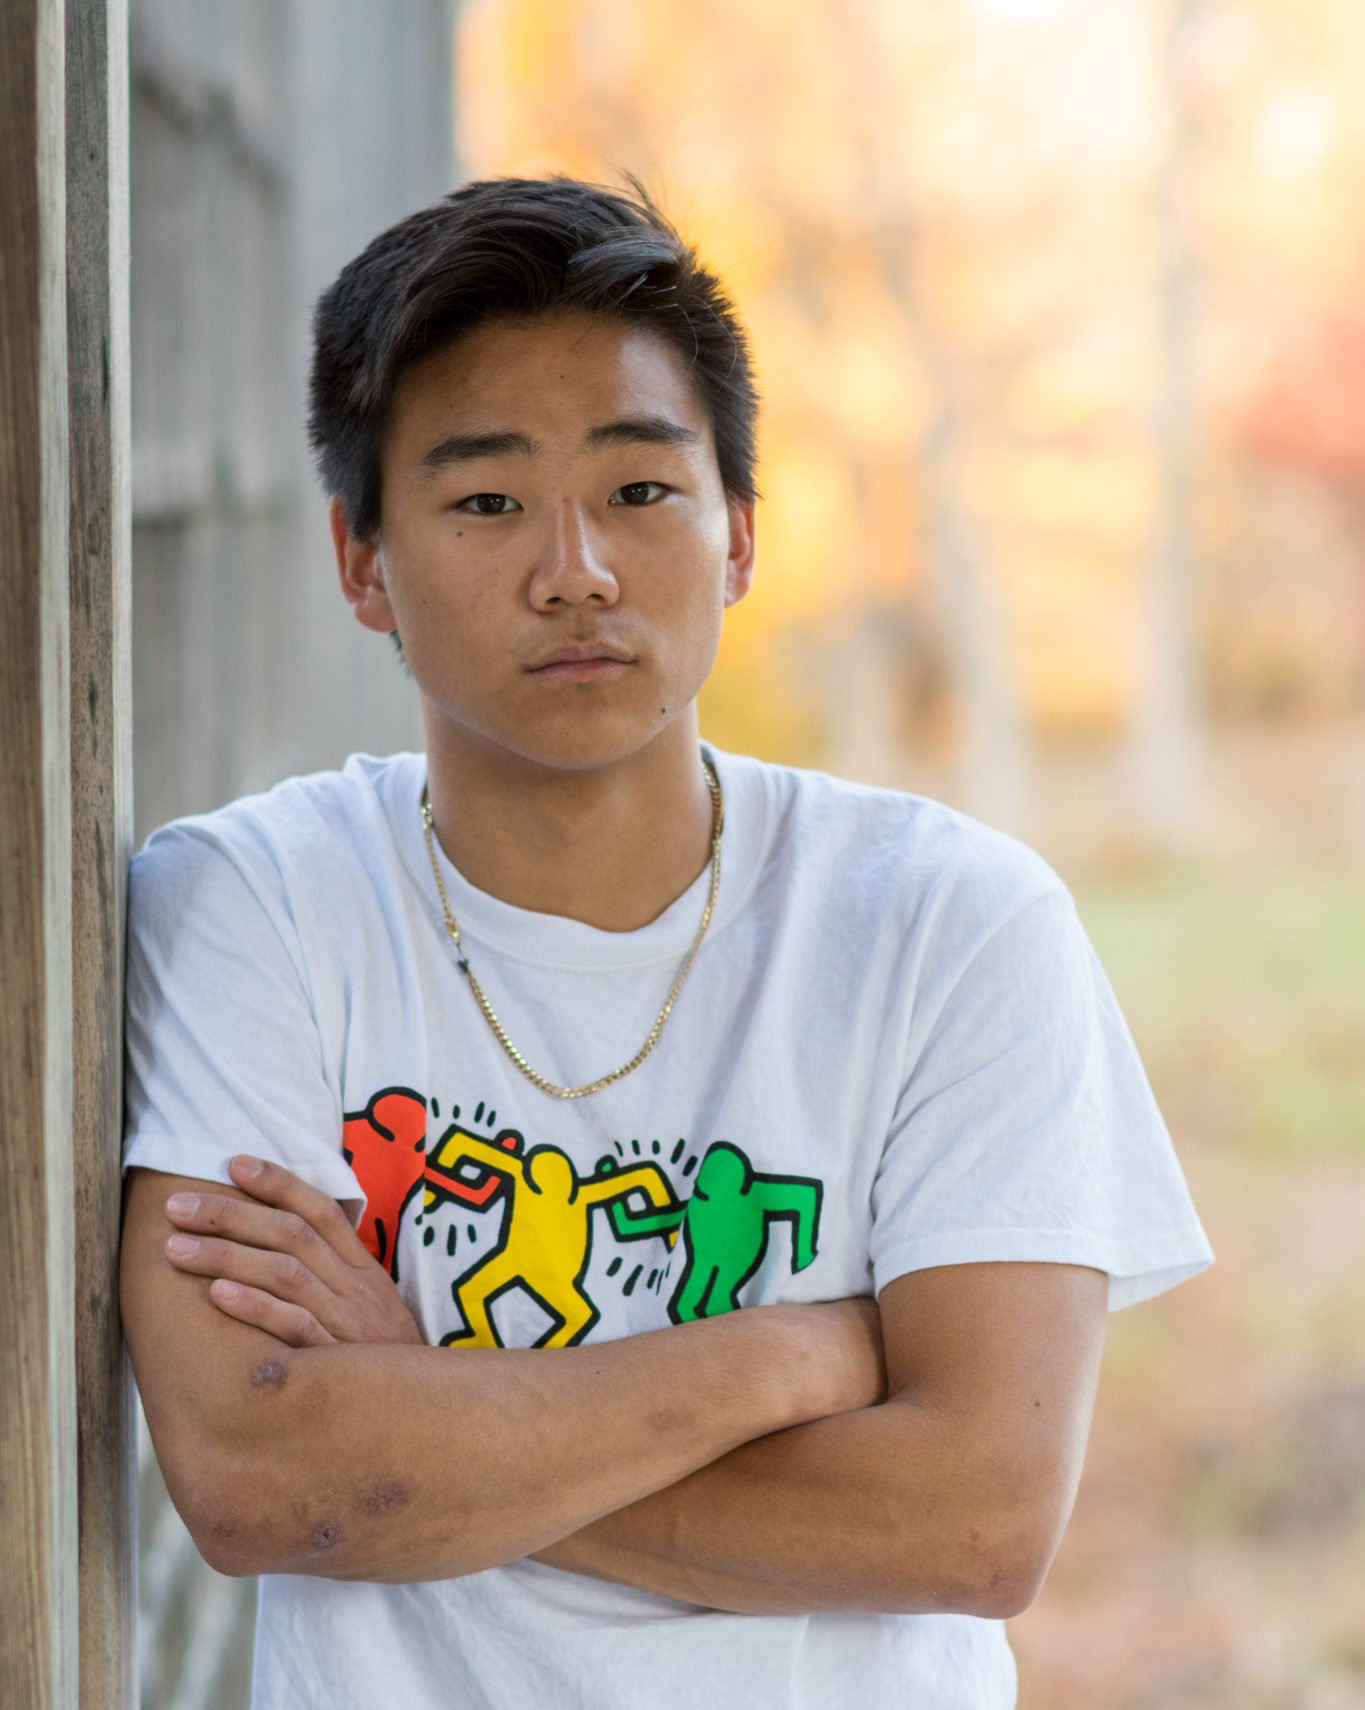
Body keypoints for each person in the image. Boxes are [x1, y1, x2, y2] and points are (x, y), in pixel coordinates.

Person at [119, 177, 1212, 1710]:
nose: (577, 568)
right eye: (486, 501)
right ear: (363, 563)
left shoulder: (950, 921)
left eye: (639, 490)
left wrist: (430, 1410)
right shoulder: (254, 900)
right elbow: (251, 1472)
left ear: (740, 535)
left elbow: (972, 1519)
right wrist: (784, 1359)